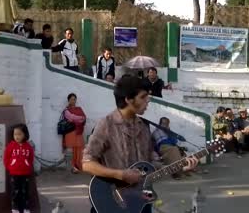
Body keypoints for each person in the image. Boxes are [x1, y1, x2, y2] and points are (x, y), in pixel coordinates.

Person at [82, 75, 199, 213]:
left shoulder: (144, 127)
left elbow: (151, 166)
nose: (148, 100)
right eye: (143, 97)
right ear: (128, 99)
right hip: (111, 203)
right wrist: (120, 175)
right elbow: (87, 164)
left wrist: (180, 168)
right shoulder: (106, 125)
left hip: (141, 202)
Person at [3, 124, 34, 213]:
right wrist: (10, 167)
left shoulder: (28, 147)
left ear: (25, 134)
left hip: (25, 174)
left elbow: (31, 158)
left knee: (25, 192)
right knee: (15, 192)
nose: (17, 136)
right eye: (15, 134)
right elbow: (6, 158)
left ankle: (26, 208)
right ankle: (15, 209)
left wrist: (27, 165)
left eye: (19, 134)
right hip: (14, 174)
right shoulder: (11, 146)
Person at [63, 93, 86, 174]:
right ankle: (72, 167)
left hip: (78, 132)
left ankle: (78, 166)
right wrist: (78, 118)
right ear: (68, 100)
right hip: (70, 132)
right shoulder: (66, 110)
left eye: (75, 99)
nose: (73, 100)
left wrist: (76, 118)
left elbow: (84, 118)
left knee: (79, 149)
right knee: (71, 150)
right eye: (72, 99)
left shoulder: (79, 109)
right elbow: (71, 117)